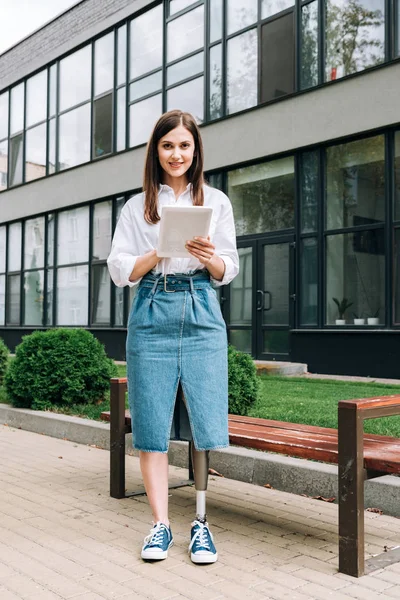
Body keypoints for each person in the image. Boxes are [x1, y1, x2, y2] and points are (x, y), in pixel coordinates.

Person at [107, 109, 239, 564]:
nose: (176, 153)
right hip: (151, 306)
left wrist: (207, 257)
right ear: (156, 151)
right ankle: (160, 526)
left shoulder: (216, 201)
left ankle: (201, 523)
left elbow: (228, 270)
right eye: (168, 145)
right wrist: (157, 250)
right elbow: (119, 269)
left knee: (204, 417)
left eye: (184, 145)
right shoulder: (136, 205)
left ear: (195, 149)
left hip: (201, 306)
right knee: (151, 422)